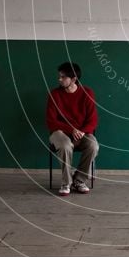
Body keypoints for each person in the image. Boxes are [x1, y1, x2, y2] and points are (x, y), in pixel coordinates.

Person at [46, 62, 99, 196]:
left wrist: (81, 132)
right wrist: (71, 130)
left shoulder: (87, 93)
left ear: (74, 79)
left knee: (93, 145)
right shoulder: (54, 94)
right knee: (65, 145)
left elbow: (93, 120)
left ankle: (79, 180)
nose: (59, 79)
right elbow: (51, 121)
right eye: (59, 76)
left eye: (63, 77)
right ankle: (66, 183)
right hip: (59, 132)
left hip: (81, 133)